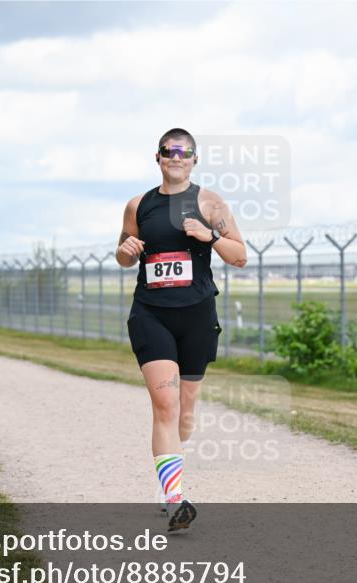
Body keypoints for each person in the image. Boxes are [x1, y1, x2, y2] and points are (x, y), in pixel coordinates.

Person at [116, 128, 248, 532]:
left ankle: (168, 478)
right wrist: (124, 252)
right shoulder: (139, 205)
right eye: (169, 152)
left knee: (185, 414)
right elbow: (124, 253)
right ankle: (174, 499)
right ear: (157, 157)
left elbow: (240, 256)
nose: (177, 157)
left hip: (196, 316)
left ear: (195, 159)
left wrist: (209, 236)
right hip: (150, 313)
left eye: (184, 152)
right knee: (166, 407)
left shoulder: (210, 203)